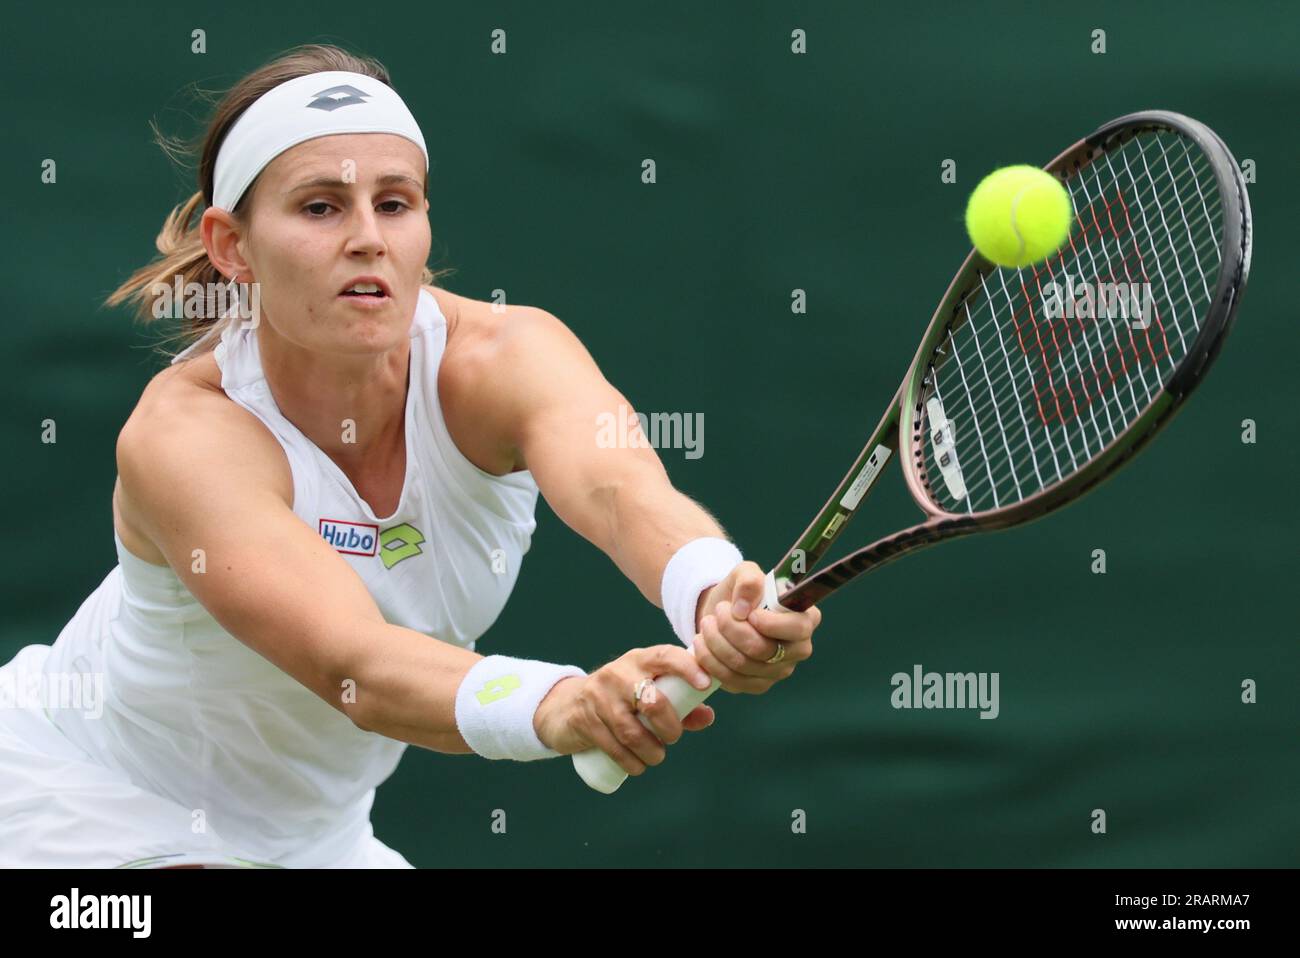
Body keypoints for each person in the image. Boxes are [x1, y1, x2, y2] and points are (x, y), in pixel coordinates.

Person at [0, 43, 820, 868]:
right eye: (320, 207)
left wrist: (711, 589)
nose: (367, 239)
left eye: (394, 203)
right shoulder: (187, 434)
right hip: (79, 800)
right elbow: (351, 661)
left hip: (318, 842)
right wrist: (561, 704)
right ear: (233, 246)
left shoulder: (506, 358)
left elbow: (619, 490)